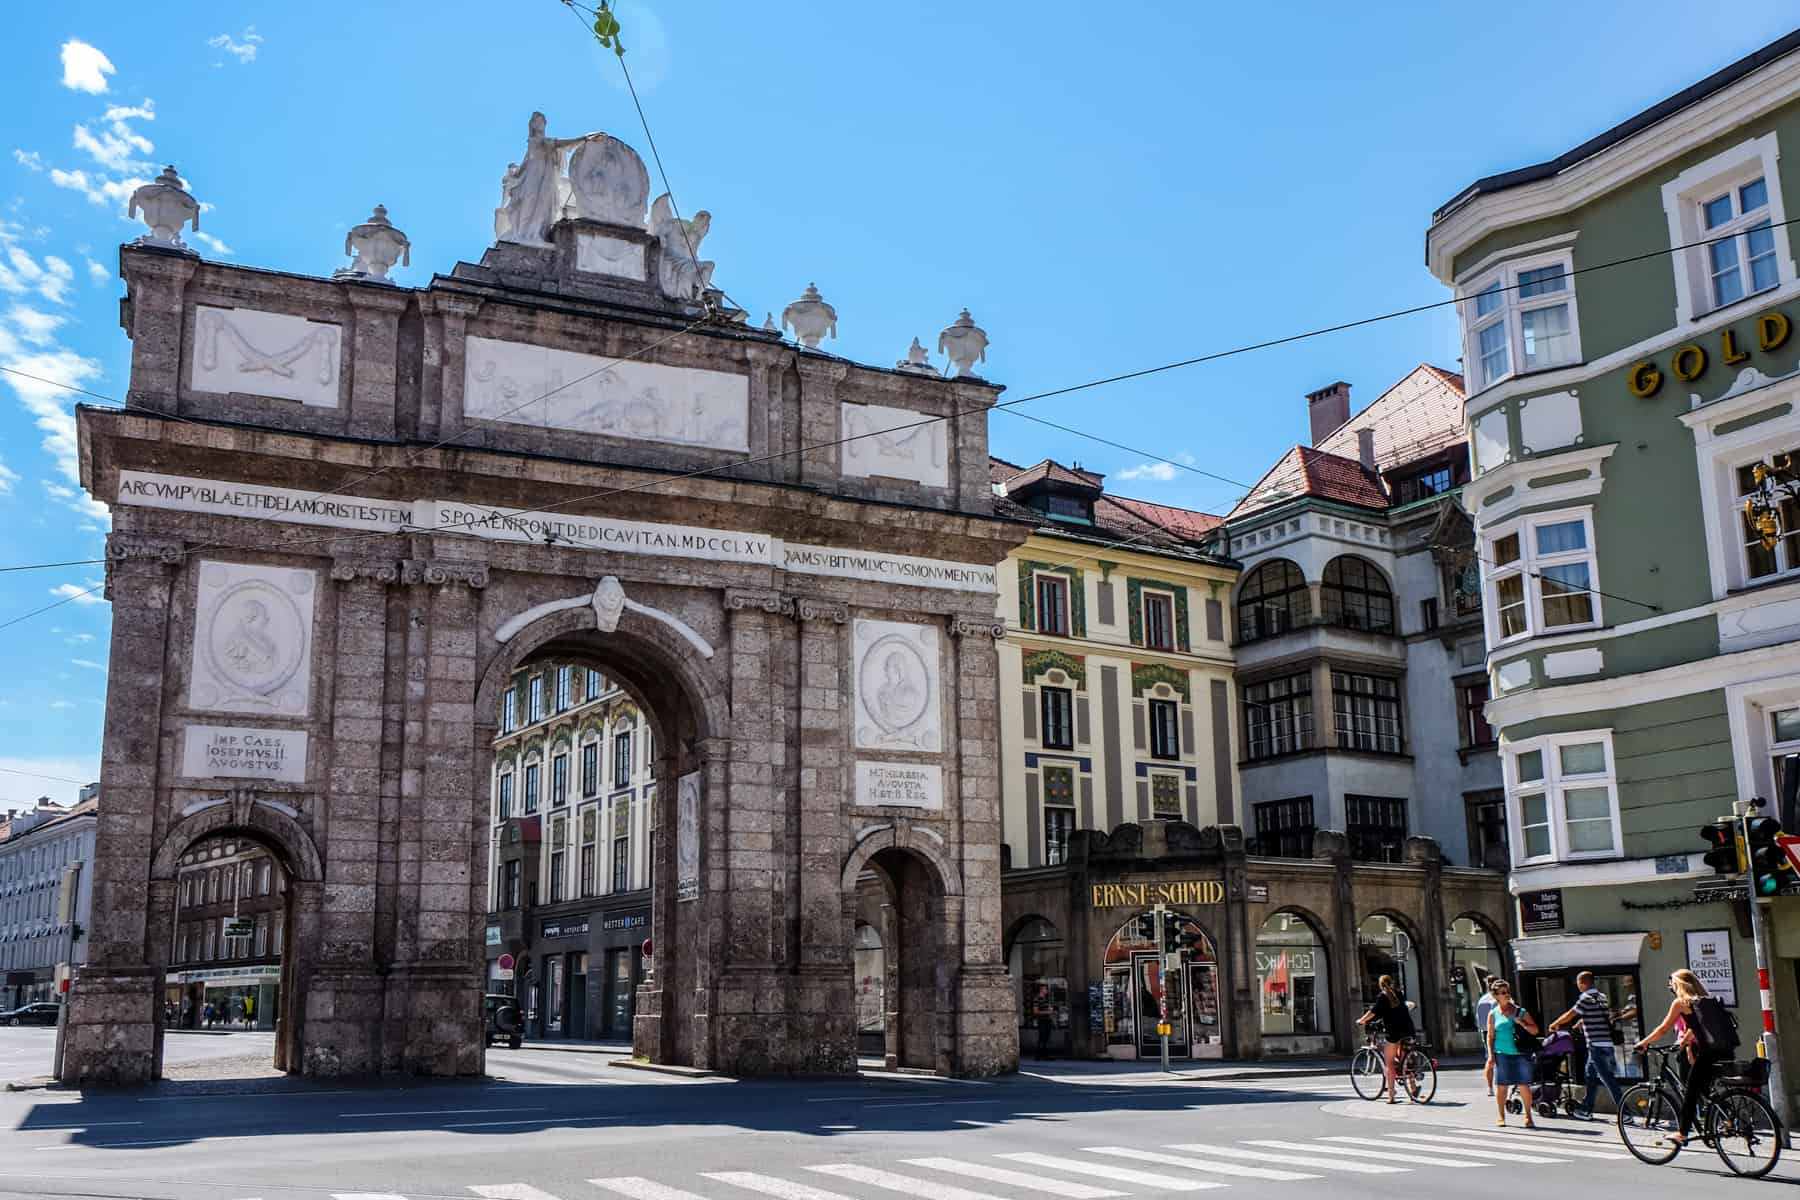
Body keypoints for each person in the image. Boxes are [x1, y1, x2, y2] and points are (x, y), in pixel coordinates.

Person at [1633, 968, 1733, 1147]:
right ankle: (1727, 1119)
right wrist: (1684, 1043)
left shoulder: (1681, 1002)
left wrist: (1644, 1043)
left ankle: (1682, 1133)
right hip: (1725, 1049)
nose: (1670, 987)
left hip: (1708, 1053)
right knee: (1704, 1089)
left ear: (1677, 984)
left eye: (1671, 984)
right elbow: (1695, 1028)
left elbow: (1663, 1029)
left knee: (1690, 1092)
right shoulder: (1707, 1000)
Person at [1551, 971, 1625, 1119]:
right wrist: (1582, 1021)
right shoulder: (1602, 997)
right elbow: (1598, 1014)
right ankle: (1586, 1109)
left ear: (1583, 983)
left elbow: (1570, 1014)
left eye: (1579, 983)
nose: (1578, 986)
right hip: (1605, 1043)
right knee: (1590, 1075)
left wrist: (1555, 1023)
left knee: (1607, 1079)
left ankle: (1625, 1113)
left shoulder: (1584, 998)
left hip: (1596, 1044)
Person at [1487, 979, 1540, 1127]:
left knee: (1524, 1085)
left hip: (1520, 1054)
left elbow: (1535, 1030)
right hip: (1501, 1053)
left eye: (1508, 992)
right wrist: (1491, 1055)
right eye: (1503, 993)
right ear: (1496, 995)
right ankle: (1501, 1115)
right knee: (1501, 1086)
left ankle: (1528, 1116)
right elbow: (1490, 1036)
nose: (1507, 995)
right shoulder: (1493, 1014)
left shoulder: (1520, 1011)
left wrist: (1521, 1022)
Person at [1357, 974, 1416, 1105]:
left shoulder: (1383, 996)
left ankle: (1391, 1095)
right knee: (1404, 1059)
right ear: (1392, 983)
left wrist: (1361, 1021)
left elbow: (1372, 1012)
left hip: (1394, 1031)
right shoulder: (1399, 993)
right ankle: (1413, 1087)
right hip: (1408, 1028)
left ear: (1380, 985)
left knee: (1389, 1064)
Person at [1475, 979, 1502, 1097]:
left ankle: (1490, 1087)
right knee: (1499, 1057)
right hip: (1498, 1030)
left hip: (1486, 1031)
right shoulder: (1499, 998)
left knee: (1490, 1058)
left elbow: (1479, 1020)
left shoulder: (1483, 999)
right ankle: (1499, 1084)